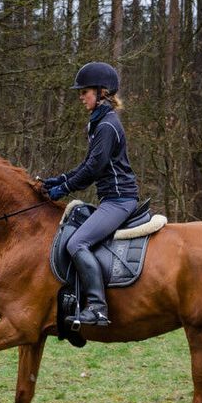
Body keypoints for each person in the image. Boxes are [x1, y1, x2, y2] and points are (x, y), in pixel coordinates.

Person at [42, 62, 140, 327]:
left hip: (120, 200)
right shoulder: (98, 124)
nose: (81, 95)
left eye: (85, 91)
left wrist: (64, 188)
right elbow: (88, 164)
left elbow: (94, 169)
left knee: (77, 243)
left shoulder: (107, 125)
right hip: (112, 199)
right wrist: (61, 179)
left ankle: (97, 307)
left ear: (102, 92)